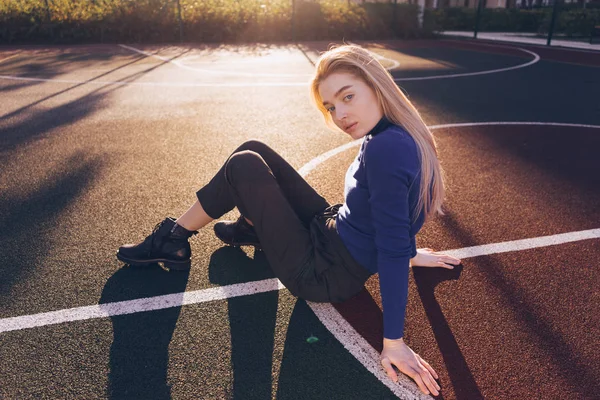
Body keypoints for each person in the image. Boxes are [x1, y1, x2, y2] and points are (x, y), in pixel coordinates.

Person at [117, 44, 461, 396]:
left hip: (323, 272)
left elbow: (390, 245)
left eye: (348, 97)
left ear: (376, 86)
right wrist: (412, 252)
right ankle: (252, 226)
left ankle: (172, 239)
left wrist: (394, 343)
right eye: (331, 106)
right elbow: (396, 213)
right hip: (330, 232)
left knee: (243, 165)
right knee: (255, 149)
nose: (340, 114)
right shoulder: (397, 133)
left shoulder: (386, 149)